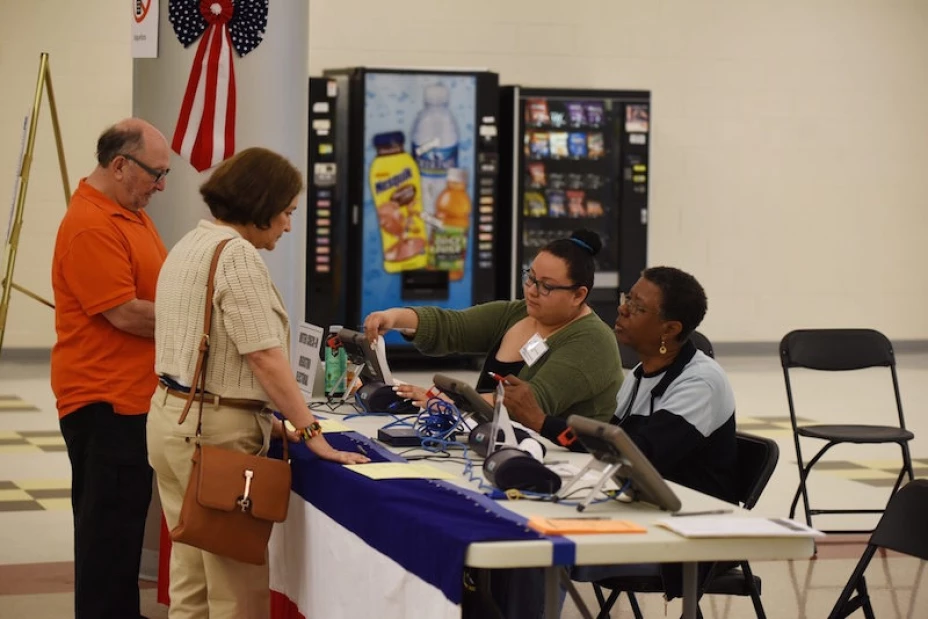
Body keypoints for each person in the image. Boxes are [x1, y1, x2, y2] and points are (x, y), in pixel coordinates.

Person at [147, 147, 368, 618]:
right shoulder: (237, 256)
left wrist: (266, 419)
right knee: (238, 588)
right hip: (215, 434)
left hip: (171, 419)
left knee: (192, 577)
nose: (289, 226)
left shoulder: (189, 245)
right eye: (287, 212)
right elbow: (265, 357)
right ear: (262, 204)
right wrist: (311, 431)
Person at [51, 118, 170, 618]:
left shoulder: (130, 211)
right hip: (105, 405)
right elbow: (125, 313)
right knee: (106, 545)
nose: (161, 186)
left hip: (132, 400)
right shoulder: (91, 224)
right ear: (120, 165)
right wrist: (203, 320)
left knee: (120, 539)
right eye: (155, 174)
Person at [363, 229, 622, 424]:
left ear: (578, 295)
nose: (531, 291)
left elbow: (530, 403)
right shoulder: (518, 312)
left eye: (546, 286)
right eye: (530, 278)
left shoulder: (592, 342)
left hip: (565, 465)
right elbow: (453, 326)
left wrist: (446, 402)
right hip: (491, 437)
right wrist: (394, 318)